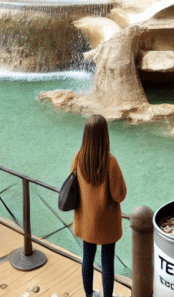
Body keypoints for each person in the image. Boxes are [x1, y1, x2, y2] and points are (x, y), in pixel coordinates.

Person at [71, 115, 127, 297]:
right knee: (107, 262)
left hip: (86, 220)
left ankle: (89, 295)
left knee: (87, 258)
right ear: (105, 135)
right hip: (107, 222)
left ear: (85, 135)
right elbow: (120, 195)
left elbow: (73, 188)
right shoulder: (110, 162)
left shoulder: (78, 157)